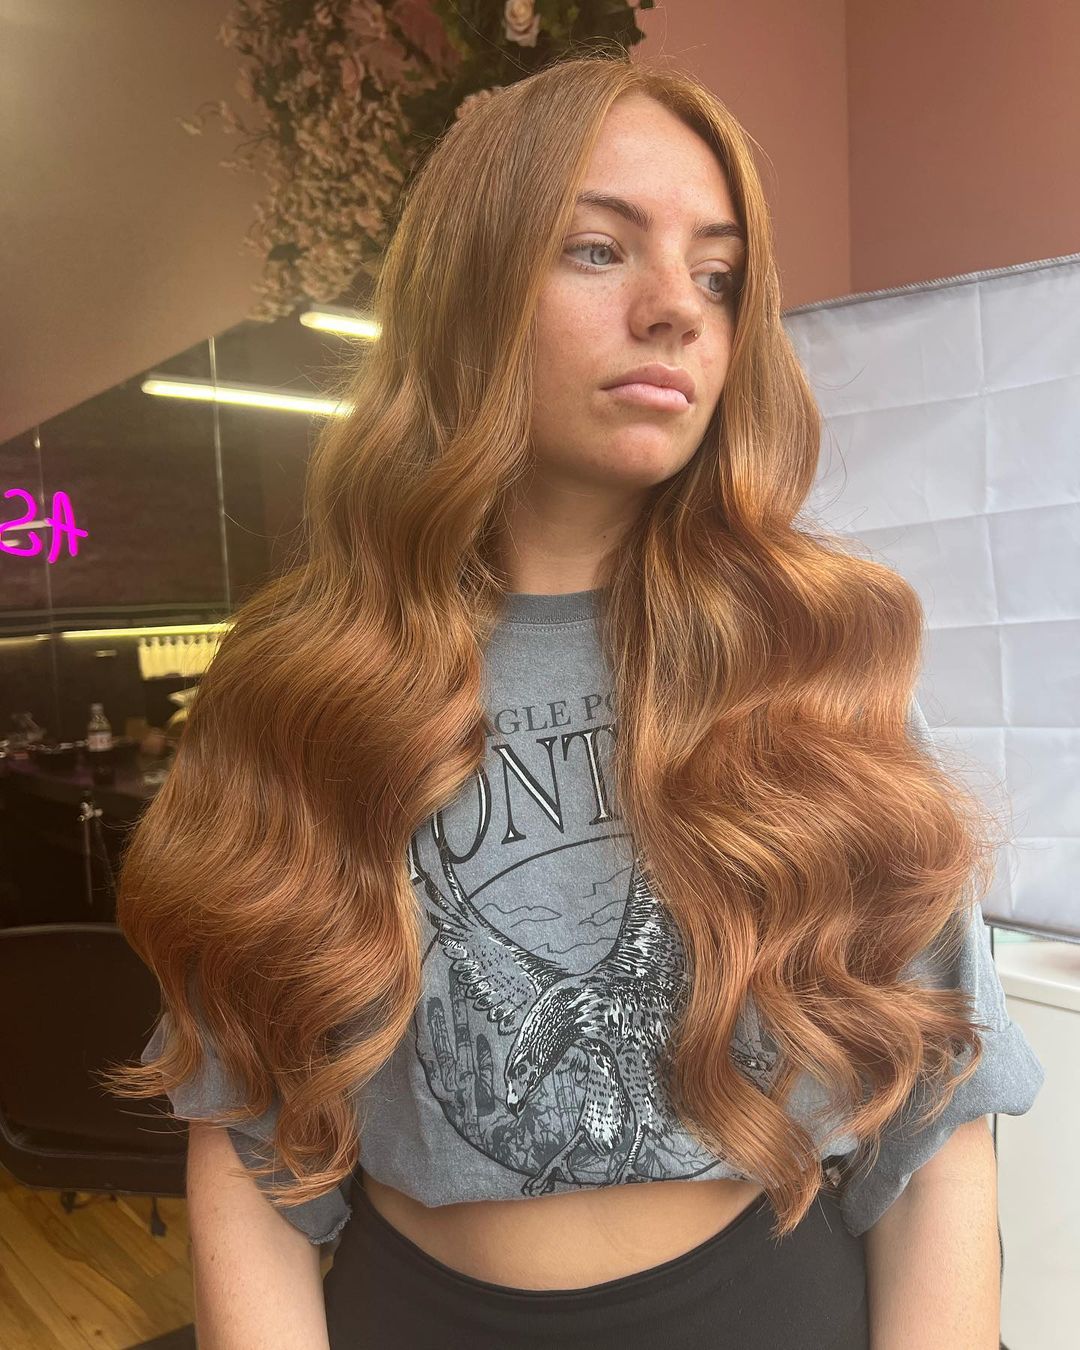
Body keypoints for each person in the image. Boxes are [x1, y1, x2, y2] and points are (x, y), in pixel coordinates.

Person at [106, 51, 1045, 1349]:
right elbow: (249, 1131)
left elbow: (933, 1117)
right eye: (599, 250)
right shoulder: (305, 688)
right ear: (470, 289)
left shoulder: (814, 661)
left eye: (718, 276)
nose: (675, 312)